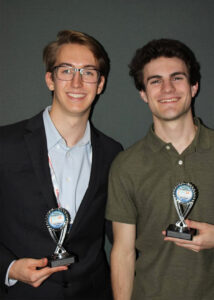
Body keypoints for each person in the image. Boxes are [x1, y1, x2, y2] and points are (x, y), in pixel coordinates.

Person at [0, 30, 122, 300]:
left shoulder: (113, 154)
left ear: (100, 84)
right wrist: (9, 268)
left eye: (88, 72)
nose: (77, 82)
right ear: (50, 80)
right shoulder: (4, 144)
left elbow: (123, 237)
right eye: (66, 70)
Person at [105, 38, 214, 300]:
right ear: (143, 93)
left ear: (194, 86)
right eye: (155, 81)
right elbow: (123, 252)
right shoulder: (126, 165)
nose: (167, 88)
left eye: (177, 78)